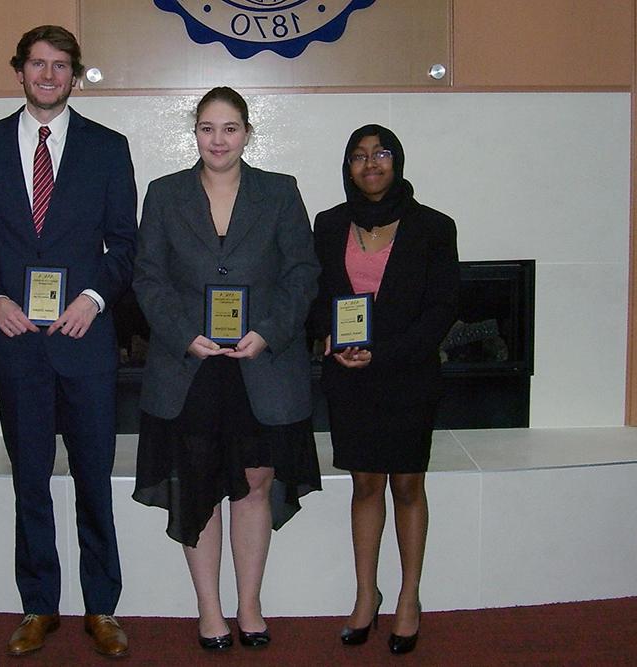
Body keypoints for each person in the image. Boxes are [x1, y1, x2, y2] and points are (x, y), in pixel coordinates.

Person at [0, 25, 137, 658]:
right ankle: (38, 604)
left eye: (61, 66)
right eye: (38, 64)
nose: (49, 75)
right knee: (29, 478)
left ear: (76, 74)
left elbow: (126, 246)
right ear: (20, 71)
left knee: (93, 477)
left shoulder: (108, 148)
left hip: (85, 341)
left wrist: (92, 299)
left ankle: (102, 607)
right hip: (18, 343)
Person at [132, 87, 322, 650]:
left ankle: (250, 605)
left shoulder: (280, 193)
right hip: (190, 365)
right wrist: (183, 334)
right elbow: (147, 277)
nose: (219, 139)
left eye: (231, 128)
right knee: (199, 486)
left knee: (256, 483)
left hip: (259, 364)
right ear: (195, 132)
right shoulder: (164, 194)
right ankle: (209, 610)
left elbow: (302, 273)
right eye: (208, 128)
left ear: (247, 133)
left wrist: (268, 331)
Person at [309, 124, 459, 655]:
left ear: (397, 161)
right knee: (365, 486)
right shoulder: (328, 224)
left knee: (408, 487)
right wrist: (325, 335)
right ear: (347, 167)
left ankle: (409, 598)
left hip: (409, 376)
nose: (370, 164)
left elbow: (443, 307)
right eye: (358, 156)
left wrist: (387, 352)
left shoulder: (434, 227)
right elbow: (315, 293)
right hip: (349, 379)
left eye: (381, 154)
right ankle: (365, 595)